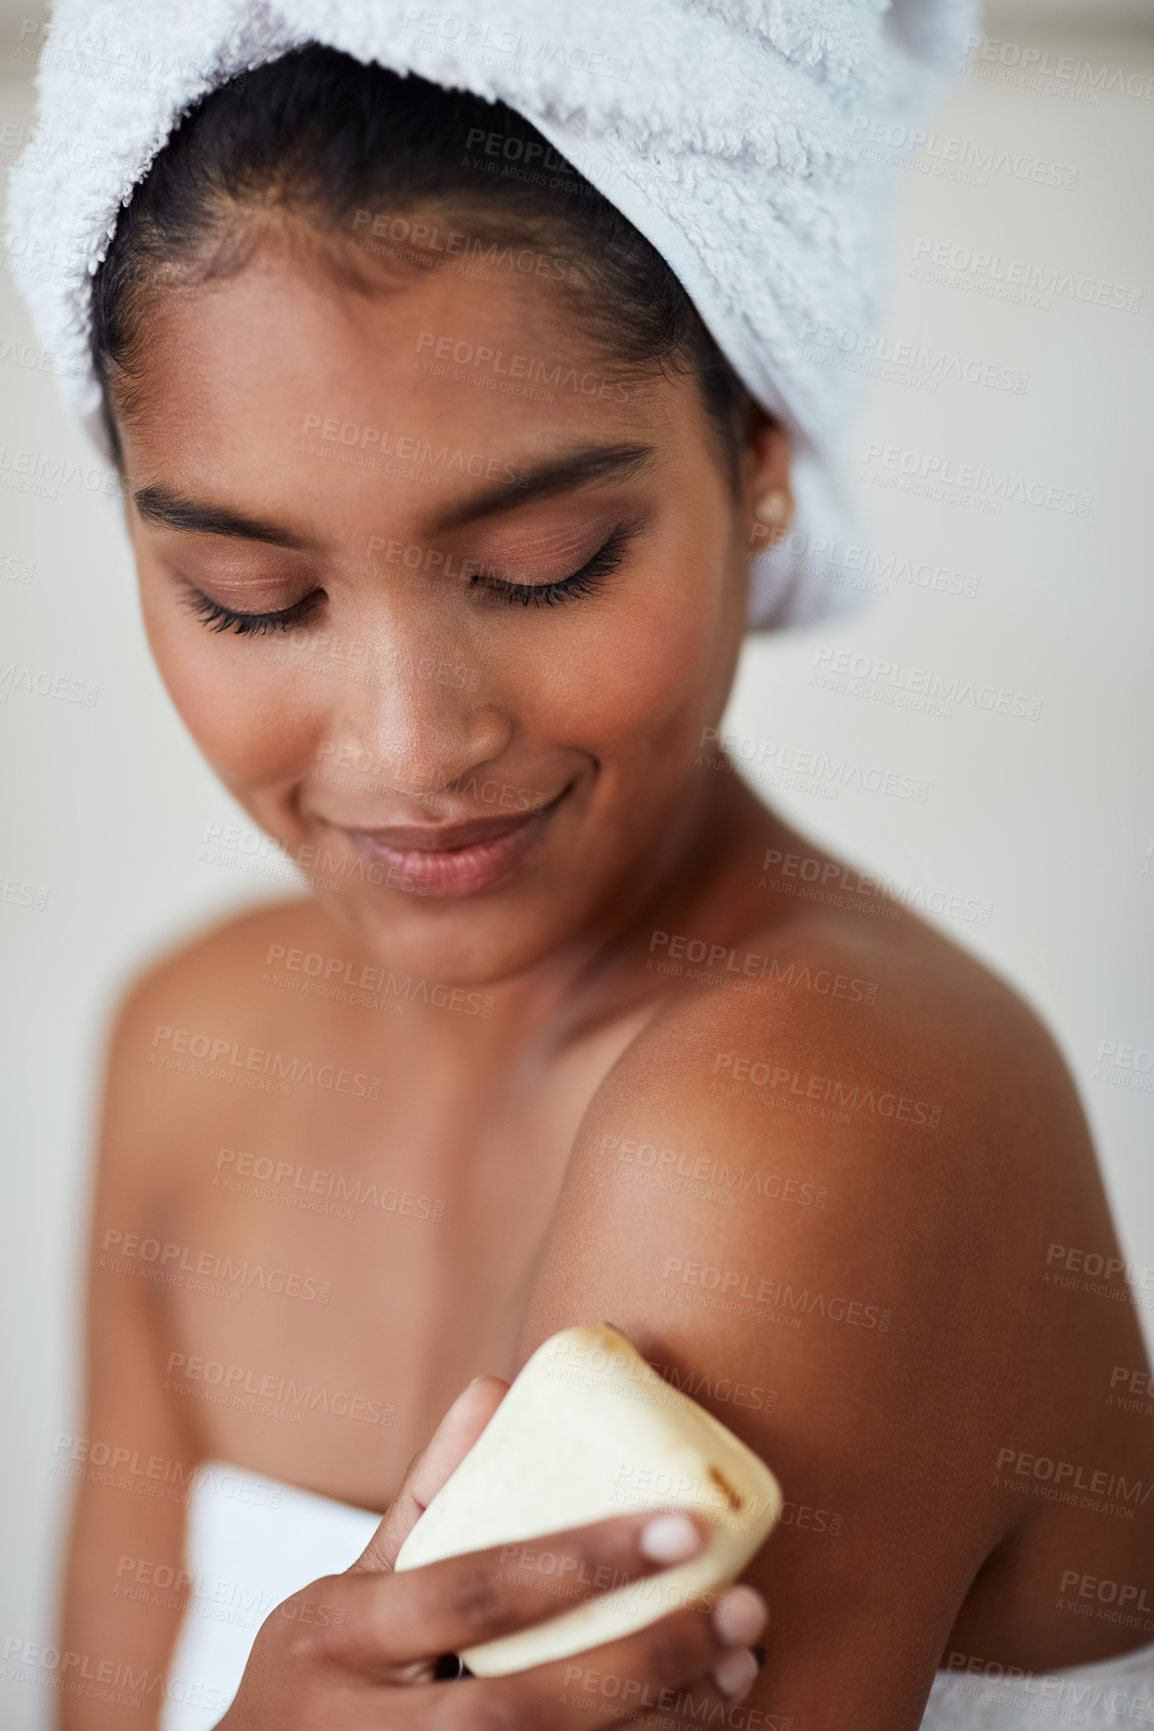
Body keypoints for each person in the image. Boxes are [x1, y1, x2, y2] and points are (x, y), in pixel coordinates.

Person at [29, 40, 1154, 1731]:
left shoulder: (819, 1117)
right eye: (251, 596)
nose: (413, 746)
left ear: (759, 455)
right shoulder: (194, 1047)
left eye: (539, 567)